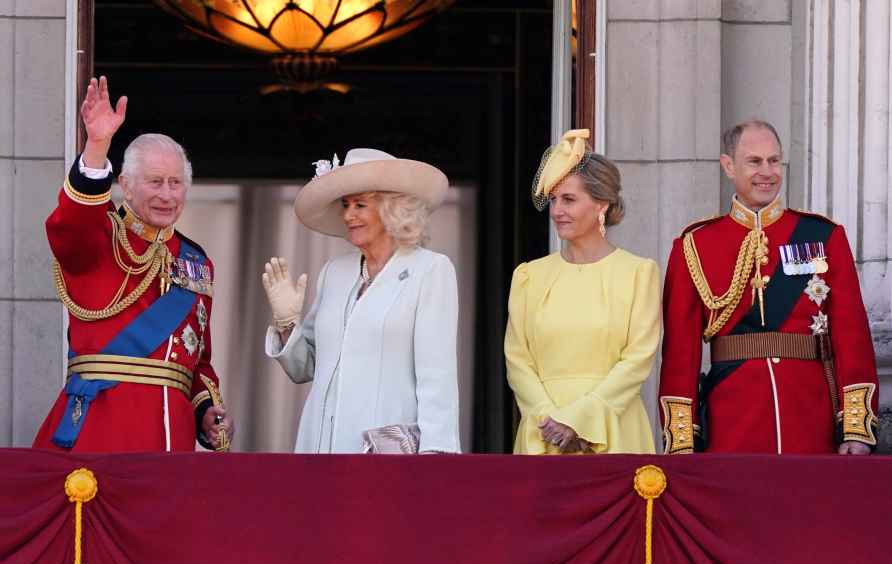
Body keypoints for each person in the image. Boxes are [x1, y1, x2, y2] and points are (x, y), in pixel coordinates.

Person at [32, 76, 233, 452]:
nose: (167, 194)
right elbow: (71, 222)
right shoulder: (99, 239)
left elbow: (197, 361)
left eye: (176, 183)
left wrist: (206, 409)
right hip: (101, 429)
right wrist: (97, 147)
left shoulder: (196, 261)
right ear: (124, 182)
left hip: (172, 441)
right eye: (155, 182)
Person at [659, 120, 879, 455]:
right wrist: (683, 440)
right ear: (728, 166)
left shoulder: (823, 236)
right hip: (733, 420)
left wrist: (855, 427)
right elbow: (680, 355)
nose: (767, 171)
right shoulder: (696, 245)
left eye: (774, 161)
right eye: (755, 161)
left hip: (810, 415)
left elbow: (852, 335)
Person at [263, 148, 461, 454]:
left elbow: (438, 377)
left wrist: (435, 456)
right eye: (345, 205)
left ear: (391, 208)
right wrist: (287, 324)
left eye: (359, 205)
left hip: (386, 449)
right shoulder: (335, 273)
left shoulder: (430, 270)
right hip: (320, 446)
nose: (347, 215)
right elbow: (306, 366)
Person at [505, 129, 660, 455]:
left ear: (601, 204)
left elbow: (637, 360)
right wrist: (550, 421)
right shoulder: (528, 277)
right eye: (554, 200)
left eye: (569, 199)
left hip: (612, 432)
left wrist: (580, 420)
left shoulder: (637, 273)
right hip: (542, 435)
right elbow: (517, 361)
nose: (557, 210)